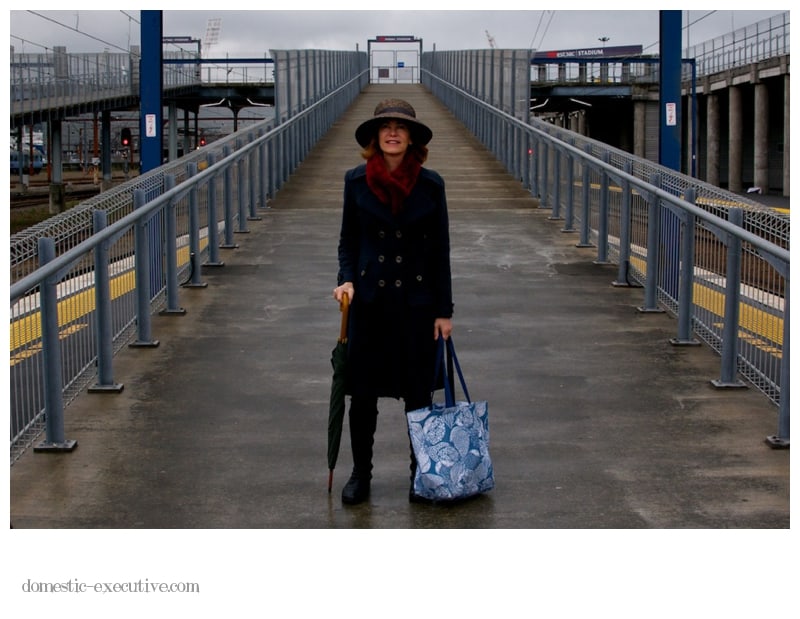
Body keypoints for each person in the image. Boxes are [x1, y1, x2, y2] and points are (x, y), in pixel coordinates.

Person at [332, 98, 454, 505]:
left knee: (418, 396)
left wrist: (444, 311)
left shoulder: (431, 185)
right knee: (362, 396)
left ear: (412, 137)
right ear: (375, 136)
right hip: (369, 304)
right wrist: (346, 280)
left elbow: (440, 252)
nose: (393, 133)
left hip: (416, 305)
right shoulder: (355, 181)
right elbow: (349, 241)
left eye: (401, 127)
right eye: (385, 126)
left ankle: (420, 474)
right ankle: (360, 474)